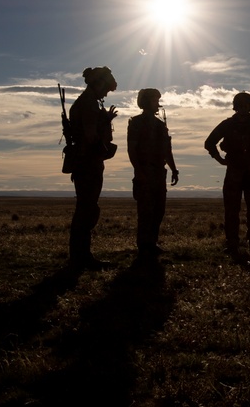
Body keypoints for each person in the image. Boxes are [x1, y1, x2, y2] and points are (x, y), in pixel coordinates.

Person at [204, 92, 250, 259]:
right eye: (241, 105)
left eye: (246, 105)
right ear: (236, 106)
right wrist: (220, 159)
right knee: (231, 210)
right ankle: (232, 245)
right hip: (234, 170)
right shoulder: (228, 124)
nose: (243, 108)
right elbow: (209, 142)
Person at [67, 66, 118, 268]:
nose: (106, 93)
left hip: (87, 162)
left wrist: (105, 120)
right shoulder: (88, 105)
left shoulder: (88, 103)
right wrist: (103, 146)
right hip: (88, 163)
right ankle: (81, 257)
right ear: (99, 84)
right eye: (105, 89)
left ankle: (80, 255)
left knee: (87, 208)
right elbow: (90, 137)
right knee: (86, 210)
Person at [127, 88, 179, 258]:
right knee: (145, 211)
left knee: (159, 210)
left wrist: (173, 169)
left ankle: (152, 243)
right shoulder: (136, 123)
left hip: (158, 172)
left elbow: (167, 150)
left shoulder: (159, 125)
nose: (157, 103)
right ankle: (144, 246)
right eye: (155, 100)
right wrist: (138, 170)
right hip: (145, 171)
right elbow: (132, 149)